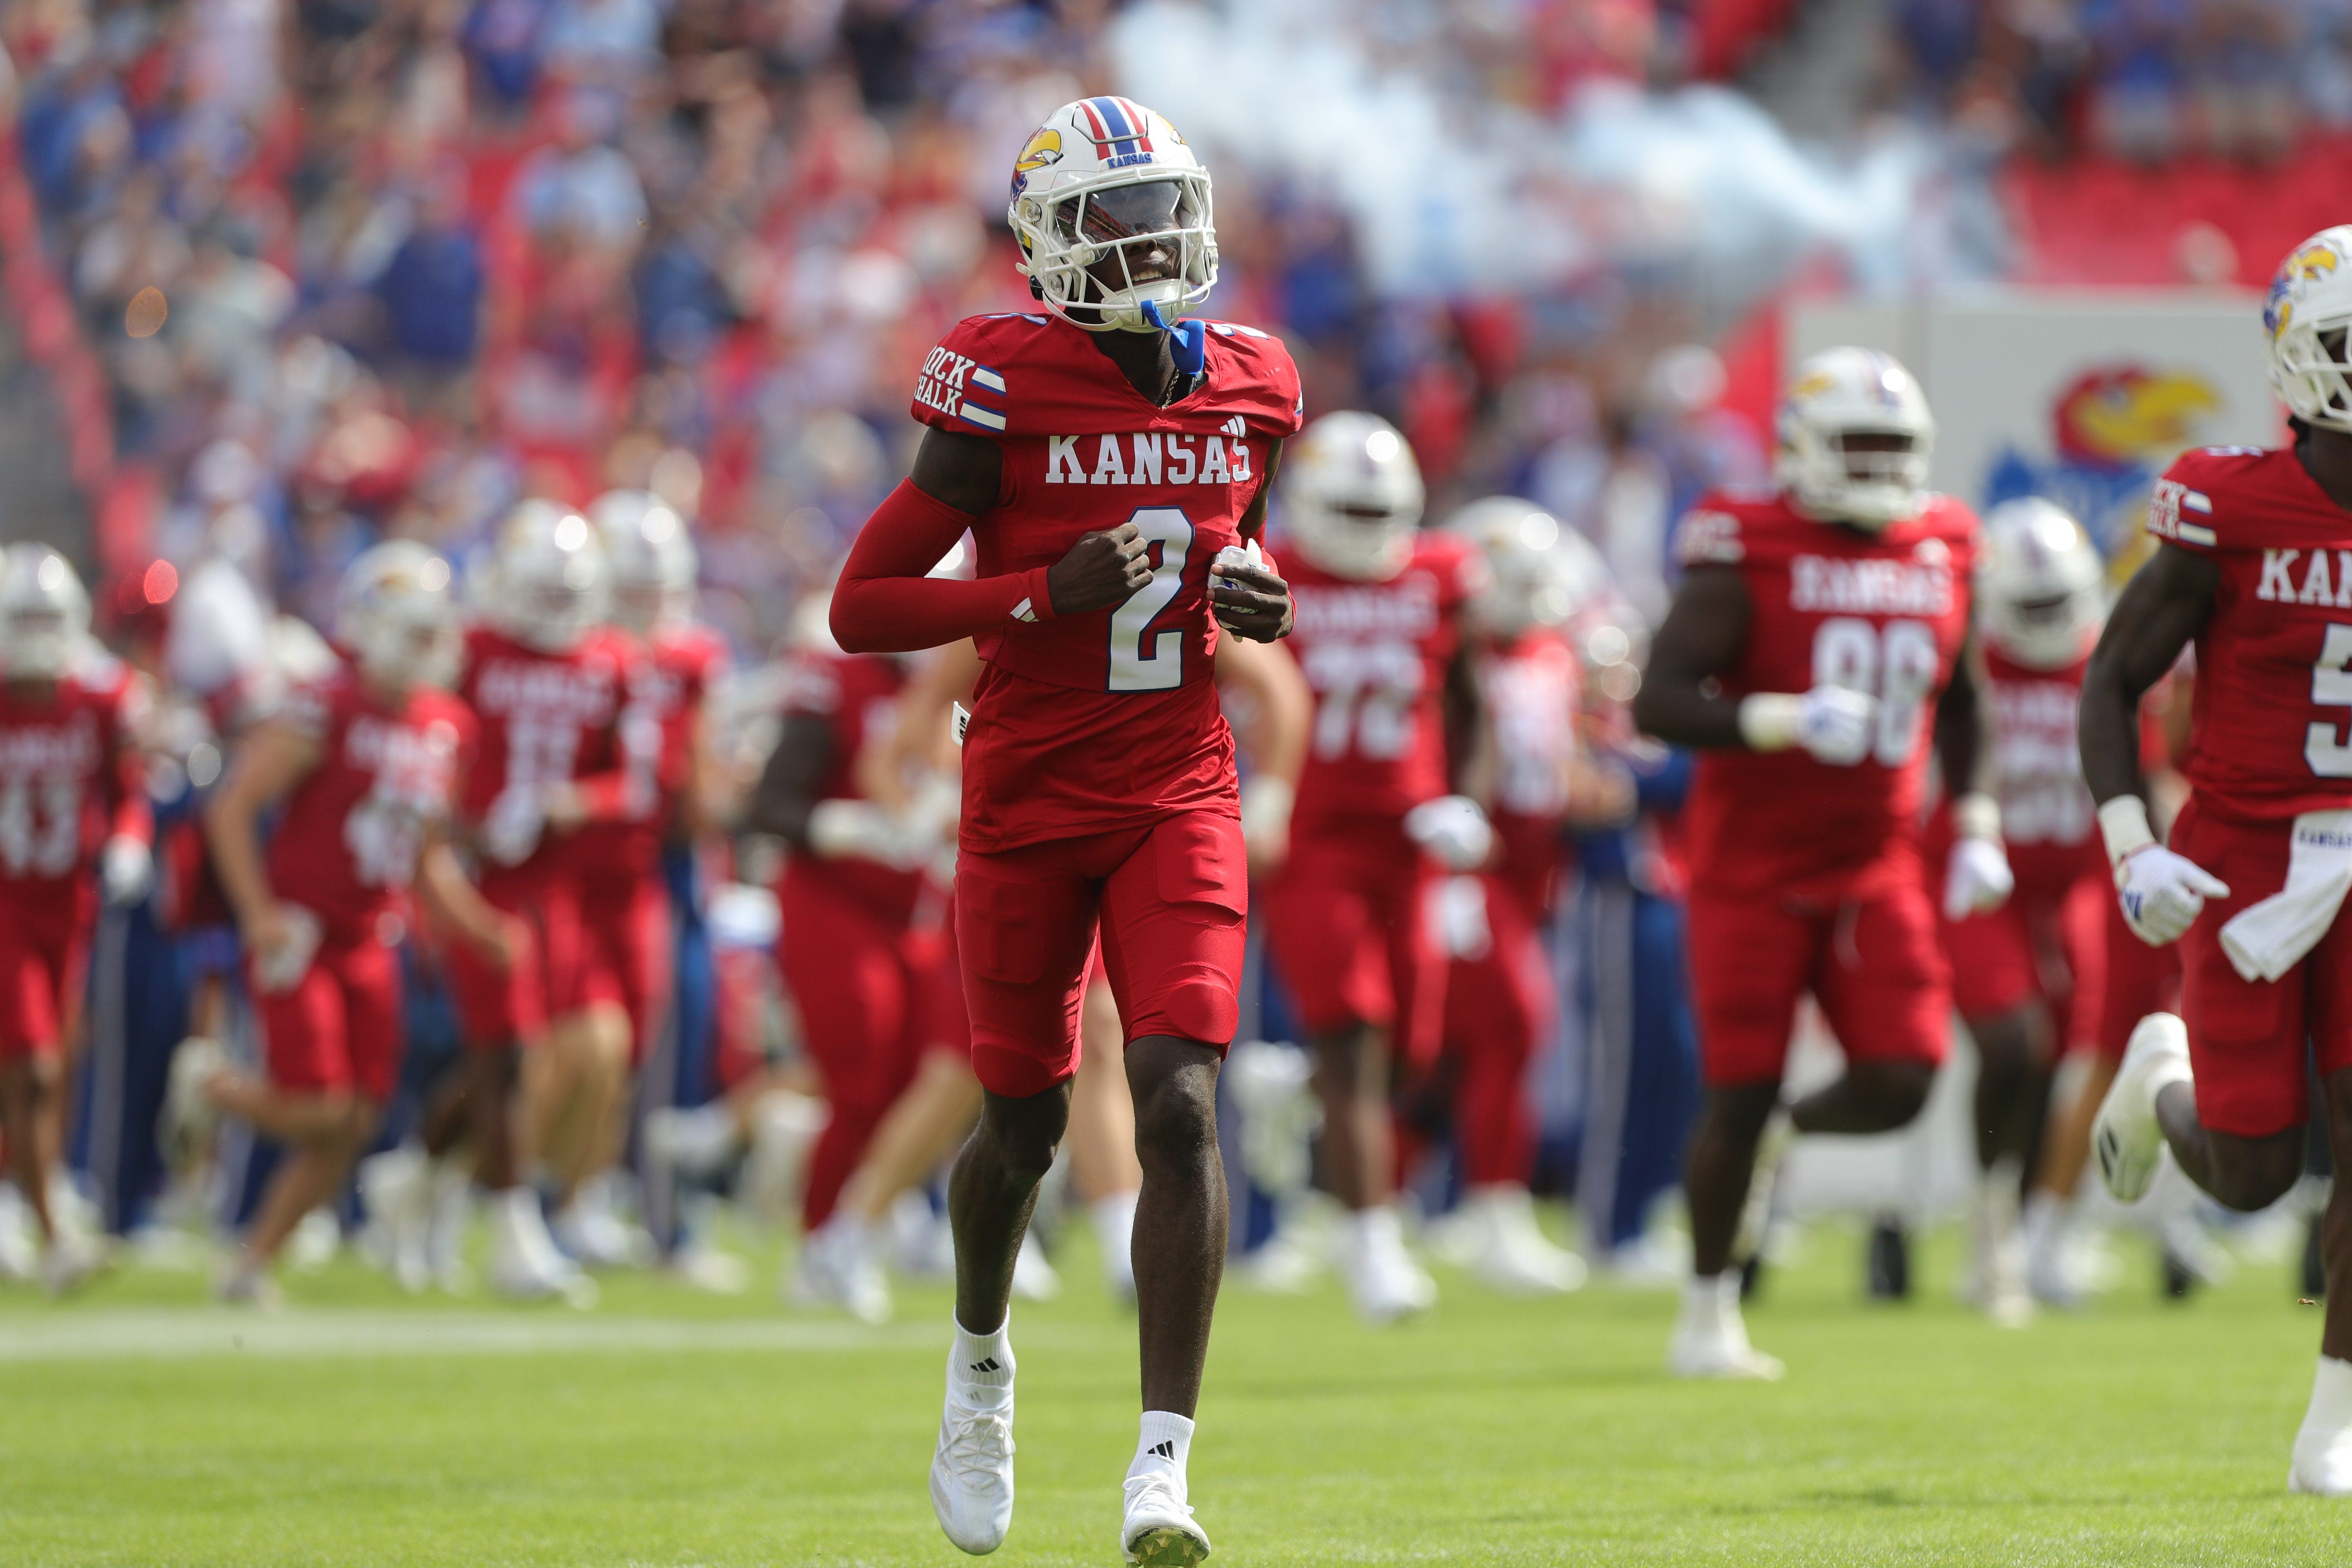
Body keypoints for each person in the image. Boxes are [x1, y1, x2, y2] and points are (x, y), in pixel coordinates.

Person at [827, 95, 1301, 1565]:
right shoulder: (998, 377)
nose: (1147, 236)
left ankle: (1162, 1468)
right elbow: (865, 608)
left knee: (1178, 1099)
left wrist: (1263, 597)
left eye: (1162, 203)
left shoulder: (1254, 378)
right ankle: (980, 1366)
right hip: (1027, 793)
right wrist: (1030, 593)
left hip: (1177, 782)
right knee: (1021, 1123)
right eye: (1109, 213)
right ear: (1045, 242)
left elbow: (1242, 549)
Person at [1633, 347, 2006, 1380]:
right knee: (1737, 1090)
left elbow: (1965, 698)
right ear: (1802, 447)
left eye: (1897, 447)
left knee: (1906, 1071)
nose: (1881, 467)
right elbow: (1657, 700)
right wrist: (1777, 716)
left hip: (1875, 859)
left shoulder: (1944, 540)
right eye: (1861, 444)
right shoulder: (1745, 540)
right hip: (1750, 864)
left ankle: (1784, 1144)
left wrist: (1972, 818)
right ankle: (1708, 1312)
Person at [2083, 224, 2352, 1495]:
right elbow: (2112, 676)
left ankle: (2331, 1426)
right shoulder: (2224, 498)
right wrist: (2129, 844)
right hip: (2243, 851)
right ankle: (2157, 1078)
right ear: (2302, 364)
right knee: (2251, 1171)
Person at [177, 543, 511, 1302]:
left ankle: (249, 1264)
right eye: (414, 631)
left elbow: (426, 859)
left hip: (374, 936)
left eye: (435, 632)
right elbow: (231, 807)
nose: (428, 648)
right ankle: (211, 1086)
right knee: (321, 1108)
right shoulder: (323, 703)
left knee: (355, 1122)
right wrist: (259, 916)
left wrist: (478, 927)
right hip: (304, 930)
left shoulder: (447, 724)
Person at [1261, 410, 1490, 1324]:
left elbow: (1467, 699)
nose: (1362, 529)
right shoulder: (1270, 569)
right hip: (1314, 837)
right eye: (1344, 509)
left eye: (1377, 509)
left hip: (1413, 841)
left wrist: (1463, 796)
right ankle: (1373, 1245)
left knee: (1412, 1056)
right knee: (1355, 1035)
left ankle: (1292, 1097)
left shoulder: (1439, 573)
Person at [441, 500, 649, 1302]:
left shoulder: (611, 660)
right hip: (481, 875)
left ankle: (467, 1194)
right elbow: (429, 746)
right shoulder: (472, 648)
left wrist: (565, 803)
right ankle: (511, 1223)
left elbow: (630, 782)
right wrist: (465, 823)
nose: (559, 614)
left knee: (562, 1050)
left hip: (560, 884)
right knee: (512, 1051)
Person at [1930, 498, 2110, 1324]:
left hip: (2072, 886)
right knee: (2012, 1043)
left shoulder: (2107, 661)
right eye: (2028, 606)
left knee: (2057, 1058)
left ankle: (2028, 1222)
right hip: (1983, 880)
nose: (2045, 622)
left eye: (2054, 604)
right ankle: (1988, 1220)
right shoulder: (1967, 664)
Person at [1428, 495, 1594, 1294]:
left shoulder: (1553, 653)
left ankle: (1443, 1210)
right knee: (1516, 1025)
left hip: (1536, 870)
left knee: (1475, 1045)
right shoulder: (1448, 655)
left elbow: (1564, 756)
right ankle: (1493, 1212)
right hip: (1468, 868)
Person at [0, 546, 150, 1292]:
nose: (35, 635)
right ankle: (55, 1234)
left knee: (52, 1061)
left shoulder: (100, 694)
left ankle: (17, 1199)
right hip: (4, 902)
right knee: (32, 1063)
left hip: (70, 906)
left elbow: (128, 790)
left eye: (44, 619)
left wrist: (128, 841)